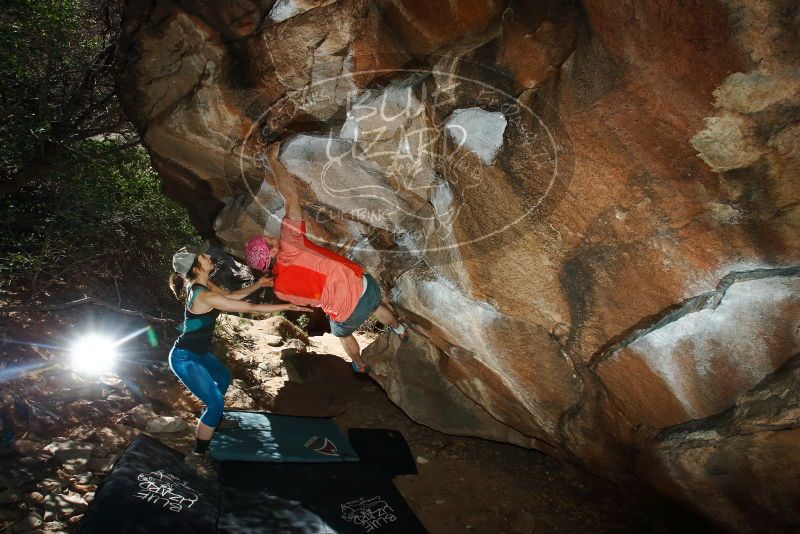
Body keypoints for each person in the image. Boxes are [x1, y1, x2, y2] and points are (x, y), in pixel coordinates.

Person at [245, 141, 408, 374]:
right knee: (375, 305)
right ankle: (400, 329)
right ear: (271, 252)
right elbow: (291, 198)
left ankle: (358, 364)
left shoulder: (280, 290)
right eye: (269, 241)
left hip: (343, 312)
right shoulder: (290, 243)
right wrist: (273, 161)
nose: (272, 238)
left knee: (342, 333)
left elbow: (313, 297)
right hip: (362, 287)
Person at [169, 241, 311, 464]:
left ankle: (213, 418)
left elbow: (233, 296)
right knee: (216, 402)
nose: (208, 256)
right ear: (196, 268)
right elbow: (250, 308)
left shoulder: (204, 285)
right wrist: (286, 307)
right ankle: (197, 454)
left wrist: (260, 284)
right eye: (203, 257)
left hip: (197, 353)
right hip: (184, 358)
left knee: (223, 378)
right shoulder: (203, 296)